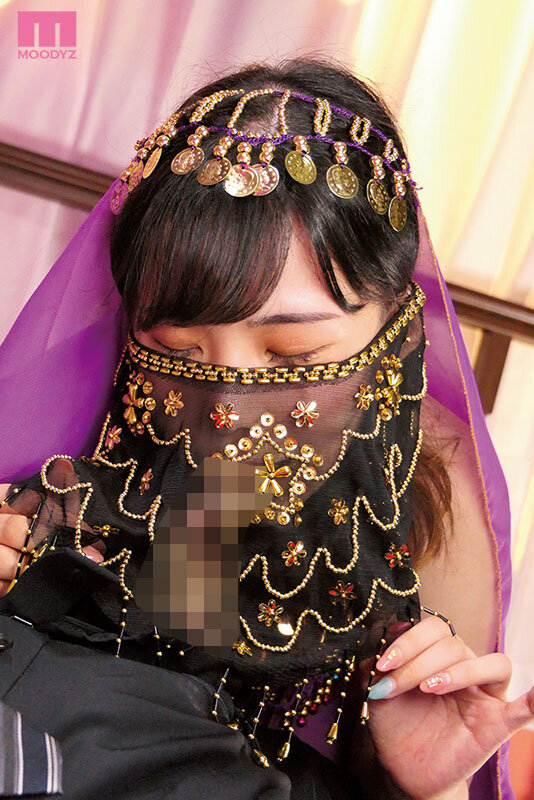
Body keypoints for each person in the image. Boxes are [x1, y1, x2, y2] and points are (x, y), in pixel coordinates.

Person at [0, 56, 530, 800]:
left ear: (396, 332)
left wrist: (429, 789)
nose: (228, 411)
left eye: (294, 357)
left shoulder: (430, 513)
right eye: (178, 351)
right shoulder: (60, 483)